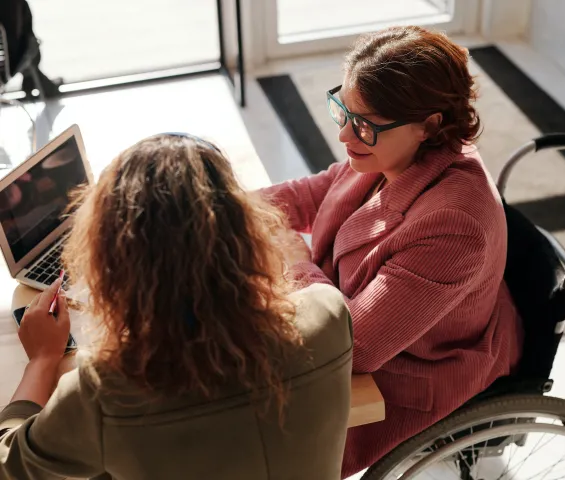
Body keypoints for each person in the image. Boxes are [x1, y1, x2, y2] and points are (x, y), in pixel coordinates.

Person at [0, 133, 353, 480]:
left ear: (114, 262)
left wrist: (42, 360)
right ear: (247, 232)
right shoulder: (329, 314)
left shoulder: (105, 391)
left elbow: (8, 467)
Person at [260, 25, 524, 477]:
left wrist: (295, 259)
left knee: (257, 430)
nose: (344, 135)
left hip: (408, 376)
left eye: (361, 123)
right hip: (363, 317)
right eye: (341, 110)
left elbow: (354, 347)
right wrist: (217, 206)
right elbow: (314, 192)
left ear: (431, 125)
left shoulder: (454, 225)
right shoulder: (388, 148)